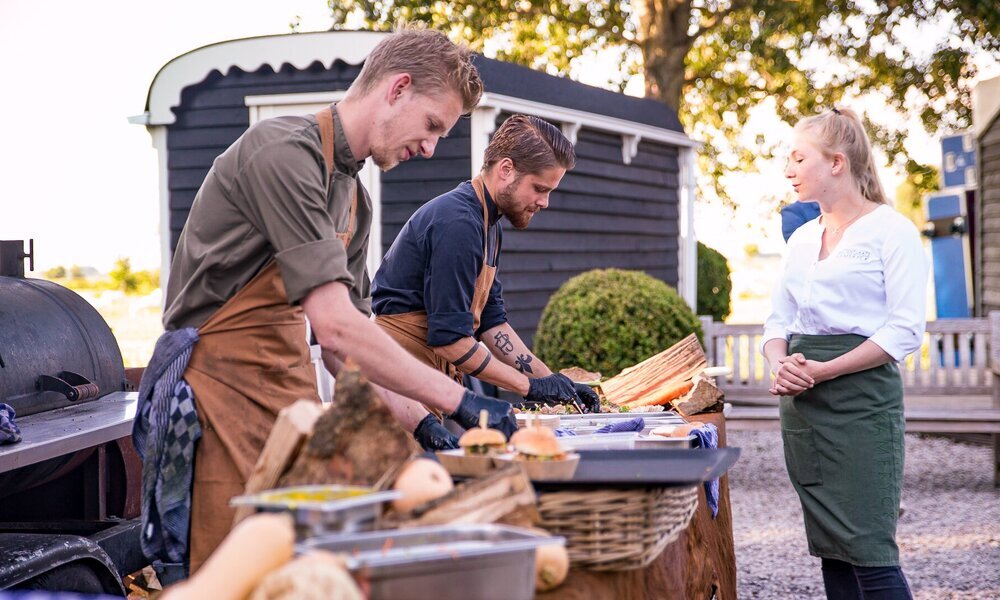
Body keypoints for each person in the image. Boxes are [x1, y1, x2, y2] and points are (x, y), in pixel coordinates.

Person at [136, 27, 518, 573]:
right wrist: (461, 402)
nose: (431, 148)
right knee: (229, 575)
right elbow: (335, 326)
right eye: (432, 126)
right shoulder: (282, 154)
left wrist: (424, 423)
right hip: (219, 406)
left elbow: (345, 355)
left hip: (291, 410)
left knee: (302, 576)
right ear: (397, 88)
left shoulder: (355, 200)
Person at [761, 106, 927, 599]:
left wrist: (823, 370)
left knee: (871, 552)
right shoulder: (803, 238)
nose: (787, 171)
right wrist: (780, 363)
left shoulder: (890, 231)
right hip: (805, 410)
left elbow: (903, 332)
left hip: (861, 405)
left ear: (836, 162)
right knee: (832, 549)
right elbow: (779, 322)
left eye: (797, 159)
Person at [371, 114, 601, 429]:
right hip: (394, 386)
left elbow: (493, 325)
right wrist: (529, 387)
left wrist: (554, 382)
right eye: (539, 188)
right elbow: (450, 340)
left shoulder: (488, 225)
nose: (544, 202)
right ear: (506, 169)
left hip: (428, 382)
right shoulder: (459, 223)